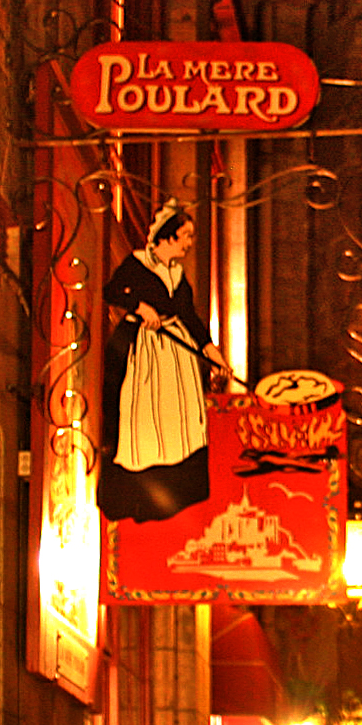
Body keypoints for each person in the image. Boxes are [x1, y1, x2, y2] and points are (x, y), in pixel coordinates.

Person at [98, 200, 230, 521]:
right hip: (143, 350)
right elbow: (112, 291)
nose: (188, 243)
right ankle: (141, 485)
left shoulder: (178, 275)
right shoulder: (138, 262)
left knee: (178, 421)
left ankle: (174, 491)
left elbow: (189, 316)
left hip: (174, 350)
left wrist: (211, 352)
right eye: (185, 236)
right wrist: (139, 307)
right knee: (145, 415)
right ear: (168, 238)